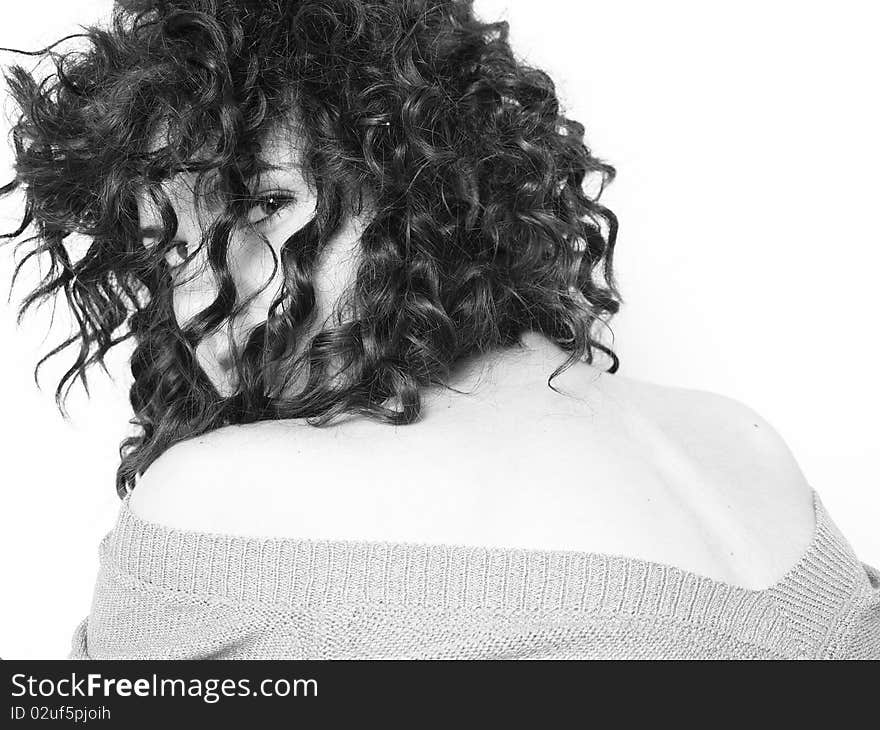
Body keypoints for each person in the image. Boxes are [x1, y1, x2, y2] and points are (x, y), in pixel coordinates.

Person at [1, 0, 877, 659]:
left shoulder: (217, 494)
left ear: (428, 179)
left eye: (266, 205)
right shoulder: (745, 442)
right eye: (166, 253)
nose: (201, 303)